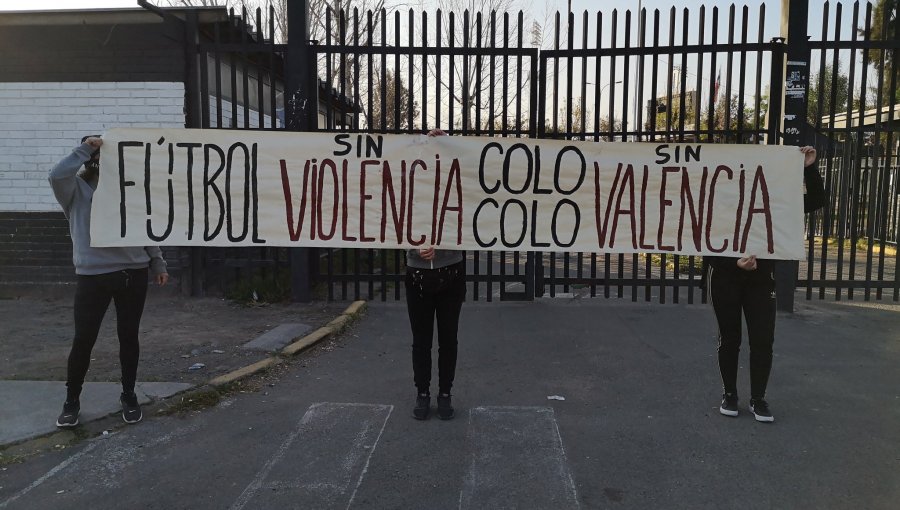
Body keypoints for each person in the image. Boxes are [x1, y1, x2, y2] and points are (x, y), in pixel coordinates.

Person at [49, 135, 169, 428]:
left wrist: (157, 260)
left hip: (133, 272)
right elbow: (56, 174)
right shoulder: (75, 189)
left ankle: (129, 395)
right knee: (83, 340)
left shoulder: (131, 189)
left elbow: (144, 226)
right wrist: (87, 147)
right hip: (93, 275)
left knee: (128, 337)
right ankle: (71, 401)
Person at [705, 146, 818, 423]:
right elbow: (706, 248)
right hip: (726, 279)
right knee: (729, 339)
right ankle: (730, 394)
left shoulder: (774, 203)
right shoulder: (719, 203)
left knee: (763, 340)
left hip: (760, 280)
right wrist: (734, 264)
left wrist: (809, 168)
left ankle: (758, 399)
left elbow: (814, 201)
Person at [406, 128, 466, 421]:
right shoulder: (409, 186)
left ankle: (444, 392)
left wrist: (451, 141)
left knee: (448, 338)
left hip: (451, 271)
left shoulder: (457, 183)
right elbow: (391, 220)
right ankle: (422, 392)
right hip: (417, 275)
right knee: (421, 339)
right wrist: (415, 246)